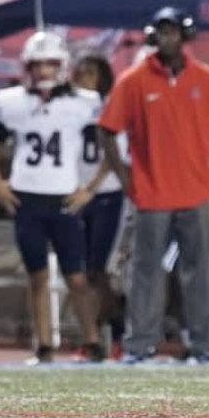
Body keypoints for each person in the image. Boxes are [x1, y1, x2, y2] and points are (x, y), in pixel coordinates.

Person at [98, 7, 209, 365]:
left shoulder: (207, 79)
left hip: (195, 190)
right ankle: (140, 344)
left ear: (185, 35)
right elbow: (106, 128)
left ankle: (205, 344)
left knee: (199, 273)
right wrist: (125, 175)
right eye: (161, 31)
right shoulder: (133, 80)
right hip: (150, 192)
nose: (168, 38)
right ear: (151, 35)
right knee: (146, 272)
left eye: (173, 31)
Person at [0, 32, 105, 365]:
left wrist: (89, 187)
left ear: (63, 66)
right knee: (37, 275)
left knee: (76, 277)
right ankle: (45, 346)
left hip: (64, 197)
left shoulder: (84, 102)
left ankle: (93, 342)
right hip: (27, 198)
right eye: (37, 64)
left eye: (51, 63)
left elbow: (113, 146)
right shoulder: (12, 101)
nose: (44, 71)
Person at [73, 54, 127, 360]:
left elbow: (112, 155)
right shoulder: (68, 107)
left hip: (106, 193)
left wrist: (91, 188)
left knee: (98, 271)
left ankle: (117, 326)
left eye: (90, 72)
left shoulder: (110, 106)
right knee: (78, 273)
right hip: (76, 195)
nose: (84, 77)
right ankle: (92, 338)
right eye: (80, 72)